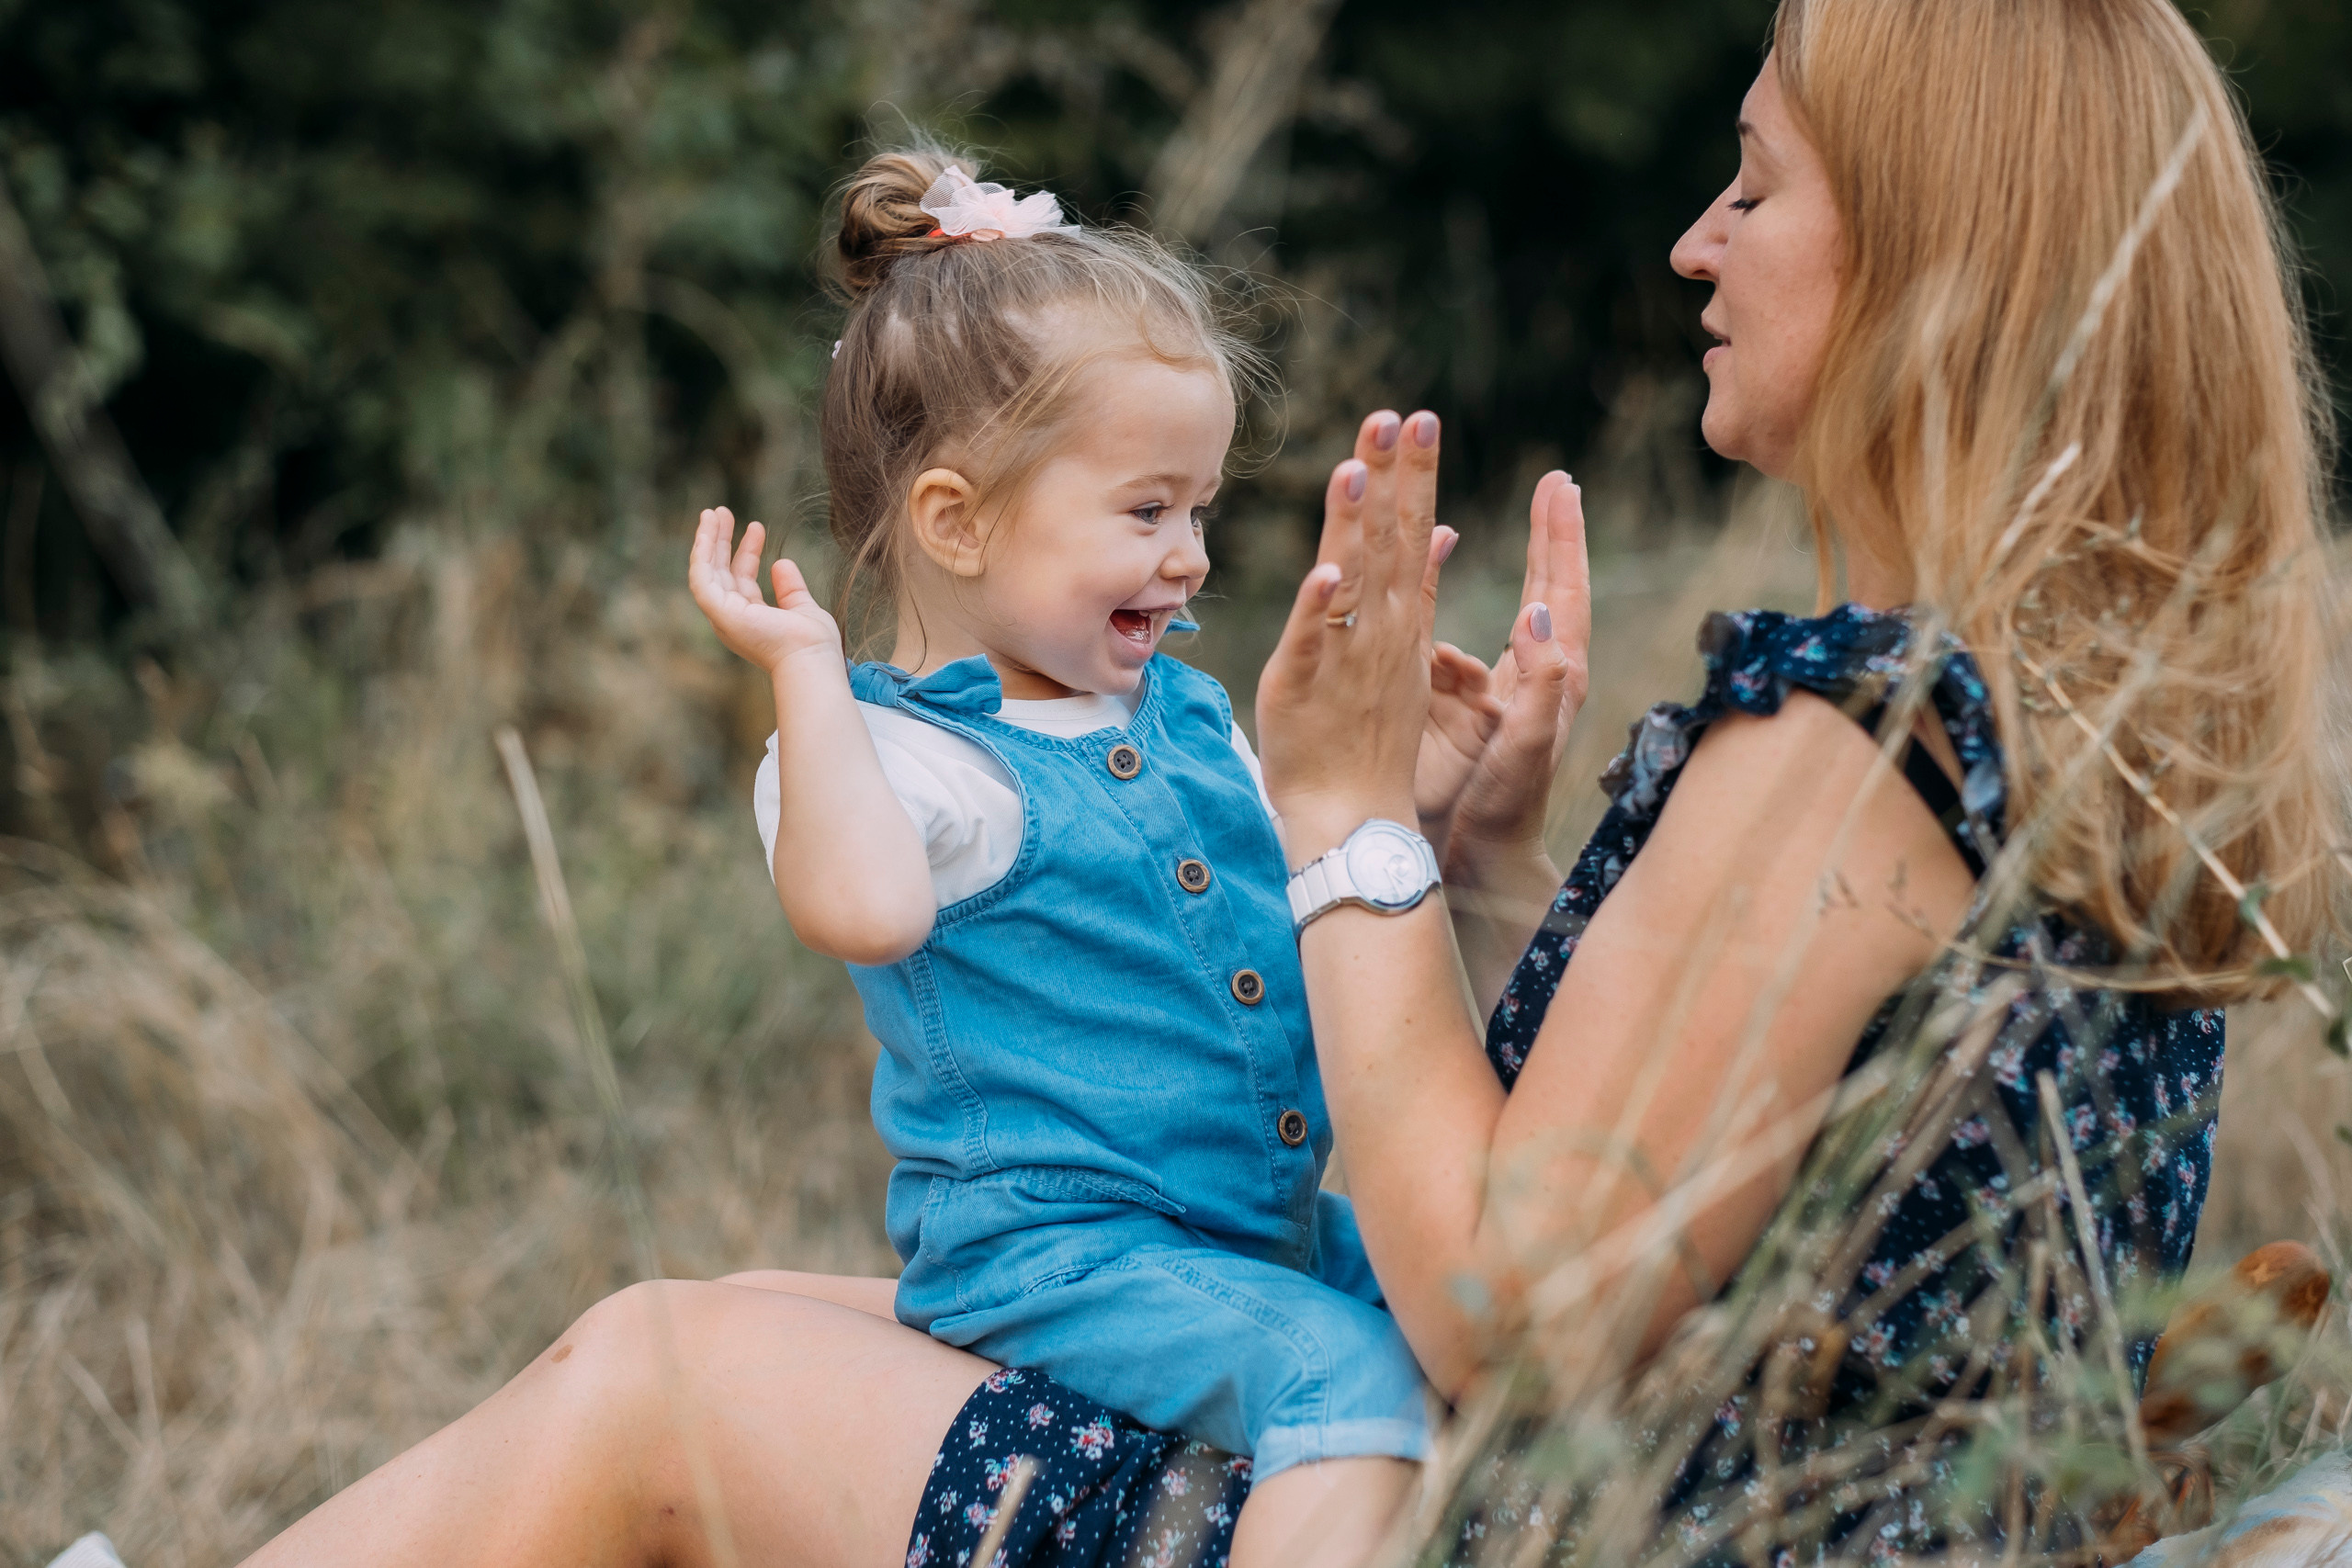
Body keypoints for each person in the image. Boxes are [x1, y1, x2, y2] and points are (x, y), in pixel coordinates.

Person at [235, 1, 2339, 1564]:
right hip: (1675, 1497)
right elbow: (1704, 1184)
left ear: (1932, 267)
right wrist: (1469, 869)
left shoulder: (1847, 735)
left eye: (1758, 184)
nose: (1697, 244)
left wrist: (1343, 822)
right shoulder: (2010, 703)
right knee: (684, 1314)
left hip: (1544, 1521)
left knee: (661, 1390)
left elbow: (1513, 1301)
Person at [682, 145, 1433, 1561]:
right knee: (1351, 1381)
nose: (1193, 553)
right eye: (1146, 512)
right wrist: (804, 674)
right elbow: (864, 909)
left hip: (1249, 1233)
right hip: (1062, 1265)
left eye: (1199, 508)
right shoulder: (896, 761)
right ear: (956, 523)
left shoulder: (1189, 714)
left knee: (1475, 1312)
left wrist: (1416, 787)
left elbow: (1301, 925)